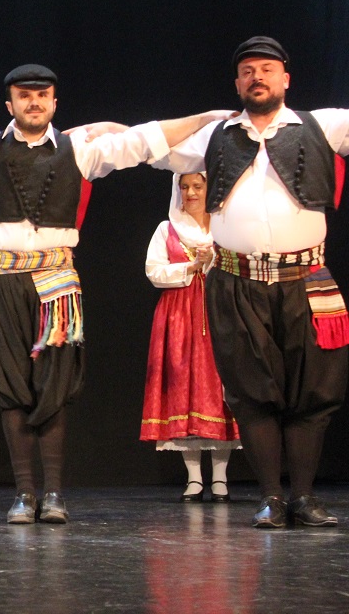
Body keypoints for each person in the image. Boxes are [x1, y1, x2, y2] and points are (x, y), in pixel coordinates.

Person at [0, 63, 229, 525]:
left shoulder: (80, 150)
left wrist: (204, 119)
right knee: (10, 386)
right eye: (24, 95)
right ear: (9, 104)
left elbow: (145, 139)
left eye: (42, 95)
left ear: (54, 102)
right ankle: (24, 494)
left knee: (54, 386)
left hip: (56, 281)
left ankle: (55, 493)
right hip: (0, 279)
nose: (33, 102)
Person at [158, 36, 349, 528]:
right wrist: (202, 119)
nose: (257, 77)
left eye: (266, 68)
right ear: (237, 83)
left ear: (286, 78)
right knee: (251, 393)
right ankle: (271, 498)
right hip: (237, 282)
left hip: (307, 281)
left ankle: (303, 497)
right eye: (247, 71)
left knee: (312, 393)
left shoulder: (323, 125)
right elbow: (148, 147)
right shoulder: (214, 135)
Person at [139, 172, 240, 502]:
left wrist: (213, 262)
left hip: (219, 311)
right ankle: (194, 478)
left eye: (198, 186)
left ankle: (221, 477)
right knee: (183, 388)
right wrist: (191, 267)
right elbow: (154, 271)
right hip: (179, 315)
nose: (191, 192)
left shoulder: (225, 226)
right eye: (184, 187)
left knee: (220, 388)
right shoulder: (166, 228)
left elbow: (242, 266)